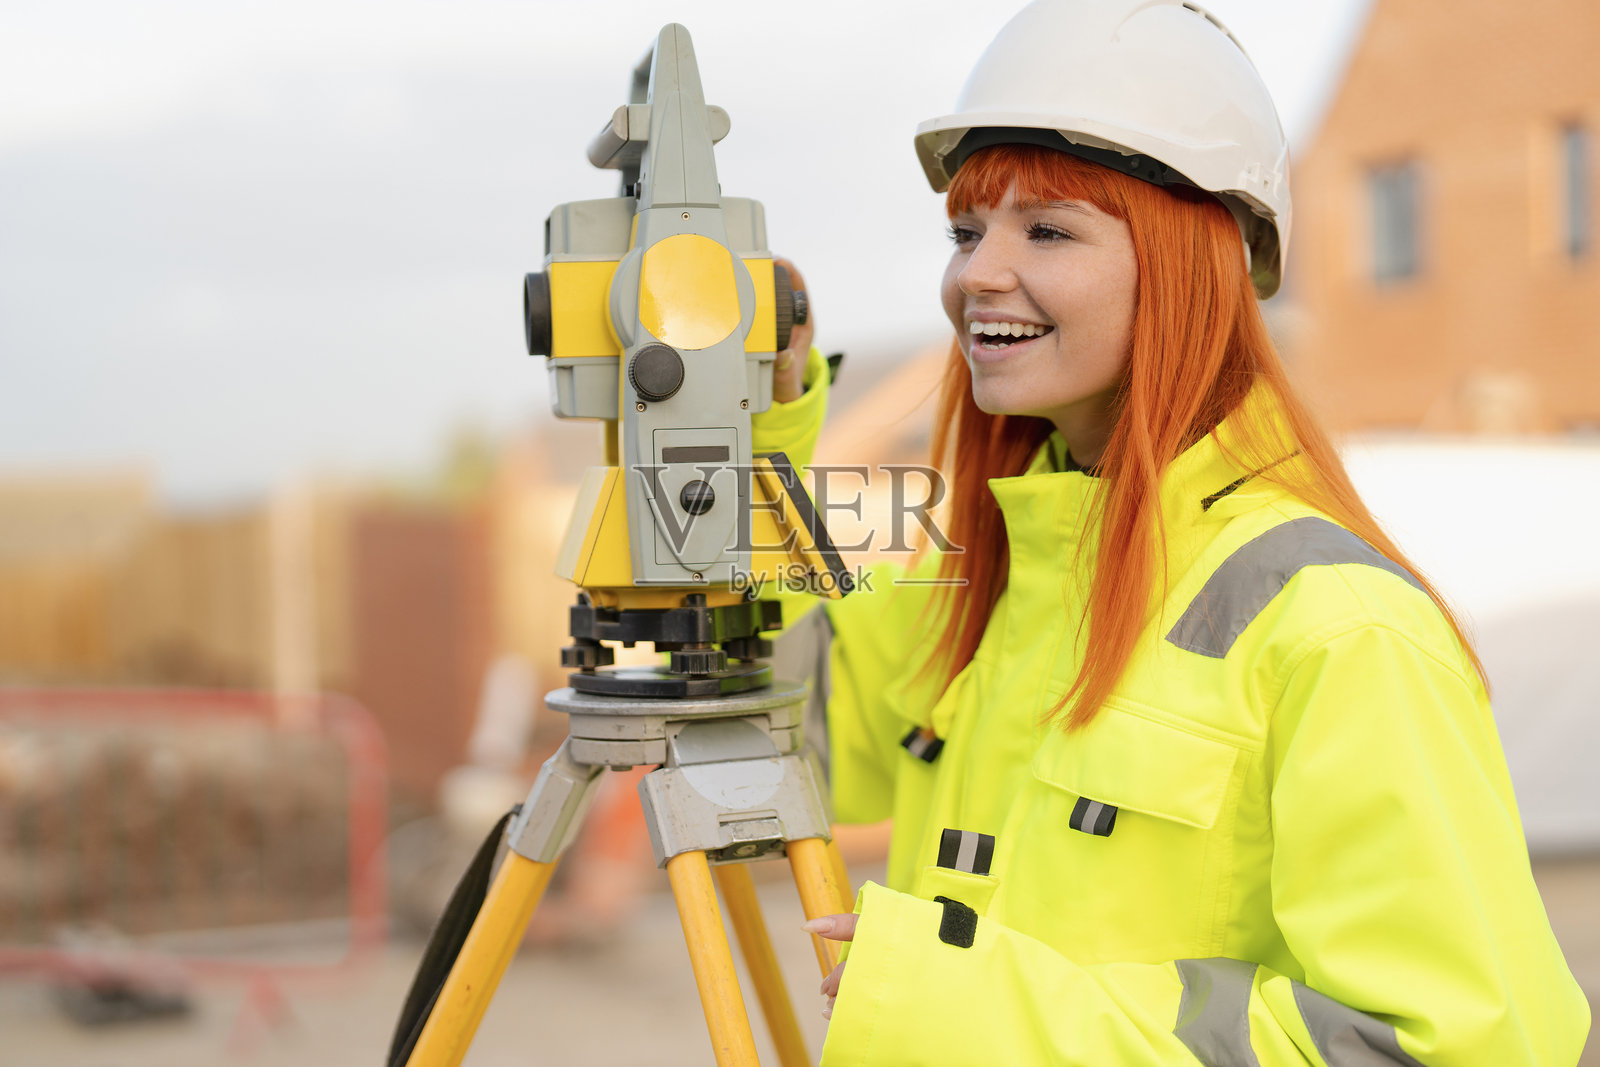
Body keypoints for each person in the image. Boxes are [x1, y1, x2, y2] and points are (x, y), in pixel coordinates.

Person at [752, 1, 1591, 1063]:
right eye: (967, 232)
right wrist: (750, 439)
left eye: (1047, 230)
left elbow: (1456, 1044)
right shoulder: (991, 582)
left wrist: (977, 1014)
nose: (975, 274)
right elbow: (760, 718)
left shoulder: (1340, 629)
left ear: (1193, 261)